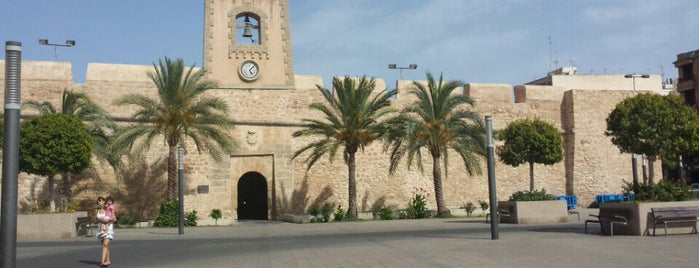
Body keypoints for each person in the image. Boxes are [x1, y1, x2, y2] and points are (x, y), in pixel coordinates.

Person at [96, 196, 115, 267]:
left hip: (108, 228)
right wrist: (100, 220)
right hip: (100, 229)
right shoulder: (97, 210)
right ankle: (108, 260)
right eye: (98, 200)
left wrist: (107, 220)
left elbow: (114, 219)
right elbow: (95, 220)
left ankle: (102, 262)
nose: (98, 201)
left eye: (100, 200)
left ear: (104, 201)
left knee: (105, 244)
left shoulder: (108, 209)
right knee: (105, 245)